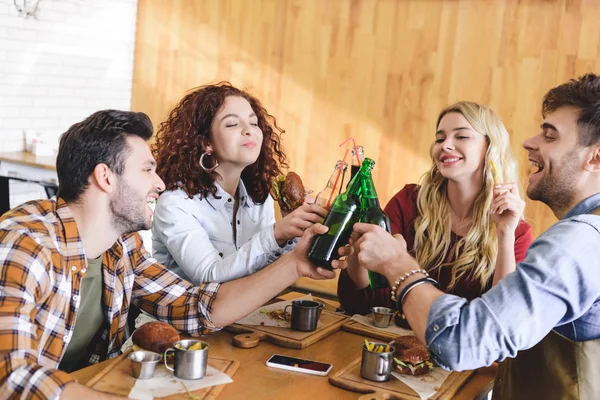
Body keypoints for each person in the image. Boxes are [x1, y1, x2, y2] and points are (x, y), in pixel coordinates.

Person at [0, 110, 333, 399]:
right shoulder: (26, 246)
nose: (159, 183)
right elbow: (12, 378)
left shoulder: (121, 247)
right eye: (147, 170)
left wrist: (296, 264)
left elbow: (196, 306)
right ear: (105, 178)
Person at [343, 74, 600, 399]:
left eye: (549, 136)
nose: (529, 142)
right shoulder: (411, 201)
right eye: (440, 137)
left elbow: (466, 343)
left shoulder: (577, 243)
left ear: (595, 158)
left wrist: (397, 264)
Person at [338, 102, 532, 316]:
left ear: (490, 147)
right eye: (440, 138)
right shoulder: (408, 202)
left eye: (461, 136)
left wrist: (504, 234)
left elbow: (501, 317)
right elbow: (368, 298)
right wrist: (357, 251)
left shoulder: (516, 232)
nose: (445, 145)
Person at [151, 82, 326, 284]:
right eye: (233, 124)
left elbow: (263, 273)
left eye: (253, 123)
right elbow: (210, 276)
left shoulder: (259, 197)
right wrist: (276, 234)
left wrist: (292, 233)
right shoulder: (176, 203)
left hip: (245, 315)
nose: (249, 130)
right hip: (180, 315)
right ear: (205, 142)